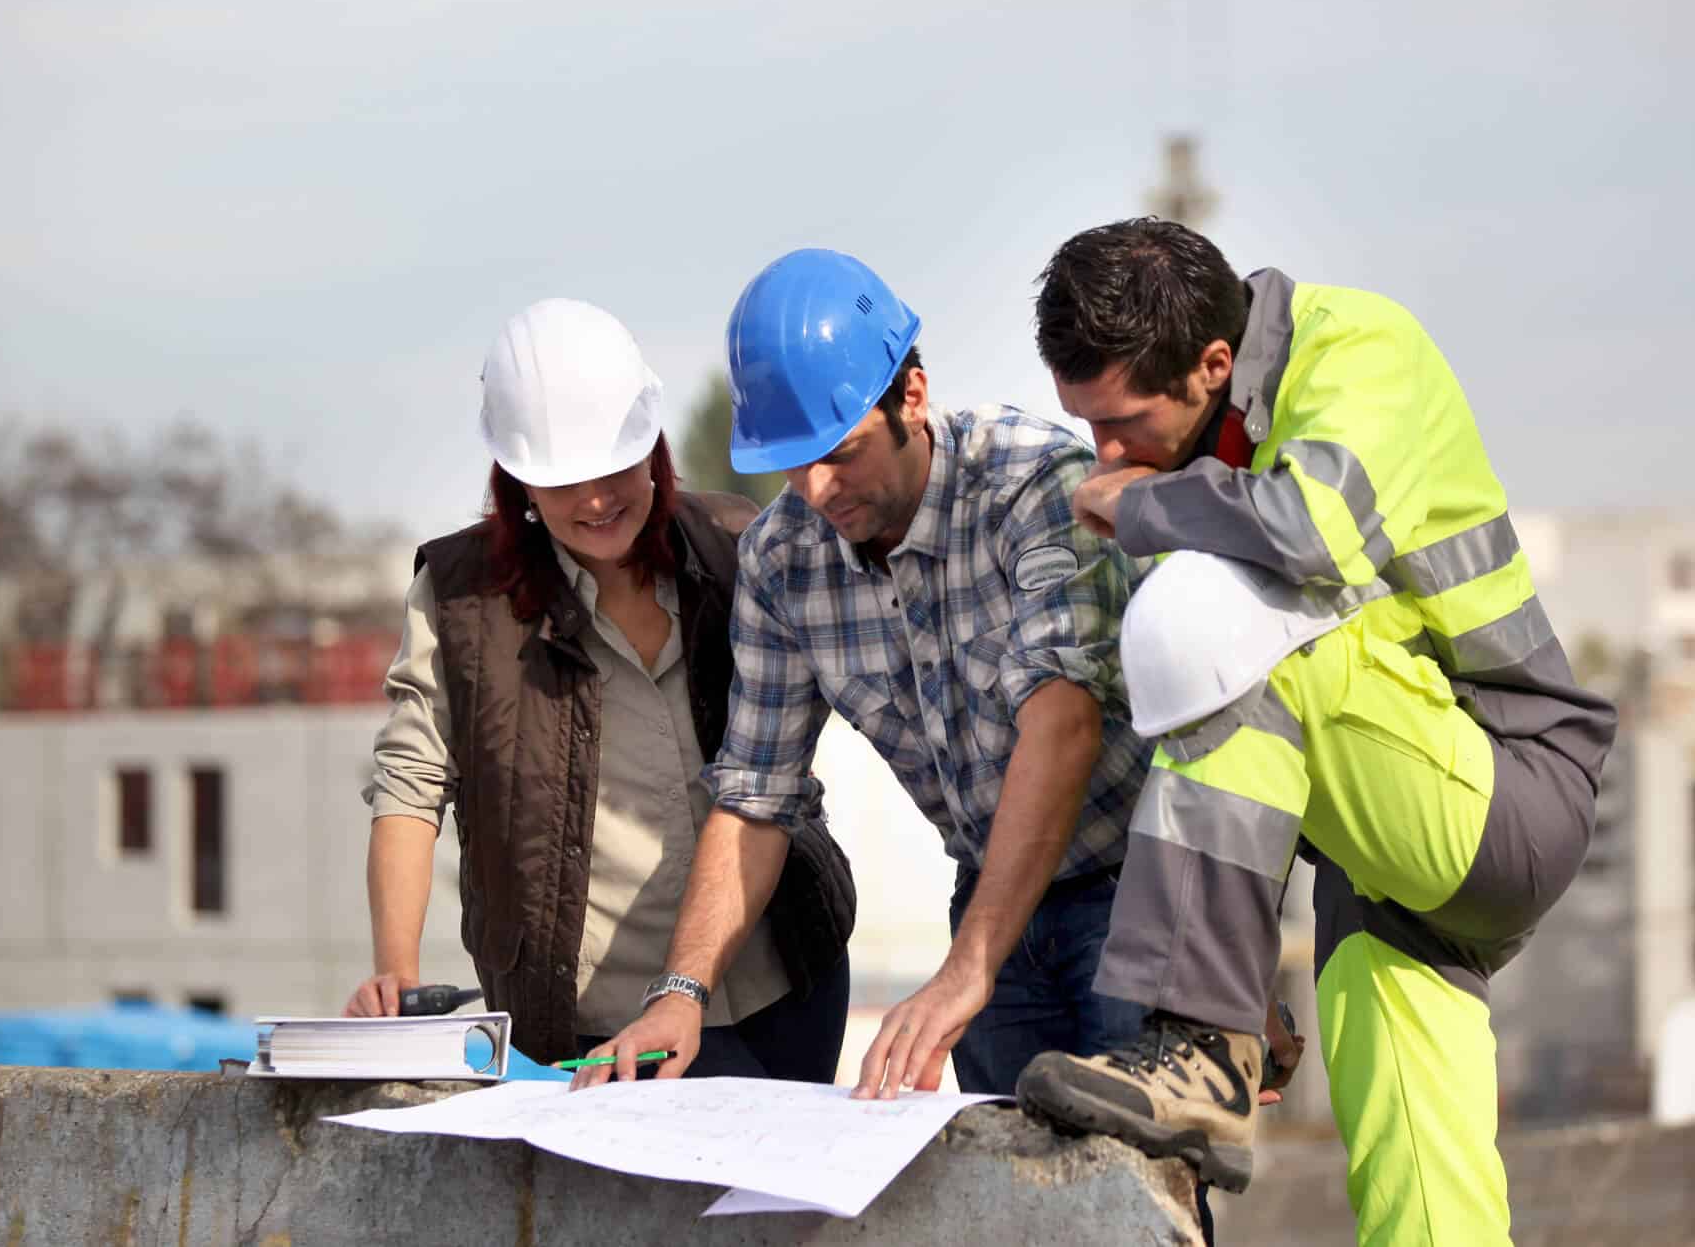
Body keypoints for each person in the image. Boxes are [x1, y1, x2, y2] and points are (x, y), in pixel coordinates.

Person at [1012, 219, 1619, 1245]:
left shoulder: (1359, 351)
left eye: (1120, 424)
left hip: (1507, 788)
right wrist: (1242, 966)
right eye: (1088, 429)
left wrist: (1148, 500)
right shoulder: (1209, 456)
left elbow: (1311, 533)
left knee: (1214, 626)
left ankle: (1200, 1047)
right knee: (1420, 1202)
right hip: (1377, 858)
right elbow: (1241, 761)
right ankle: (1213, 1027)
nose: (1100, 461)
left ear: (1213, 364)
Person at [579, 248, 1154, 1100]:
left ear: (911, 398)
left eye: (840, 453)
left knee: (1143, 1203)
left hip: (1138, 894)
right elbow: (754, 800)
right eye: (791, 464)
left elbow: (1062, 724)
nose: (815, 489)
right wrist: (681, 990)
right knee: (1019, 1201)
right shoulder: (783, 560)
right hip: (990, 898)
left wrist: (966, 968)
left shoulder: (1035, 485)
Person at [344, 297, 853, 1085]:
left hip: (784, 979)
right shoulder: (459, 599)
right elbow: (410, 787)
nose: (594, 499)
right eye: (561, 479)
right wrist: (396, 972)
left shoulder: (735, 546)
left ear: (653, 443)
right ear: (515, 480)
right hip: (600, 1024)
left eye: (614, 465)